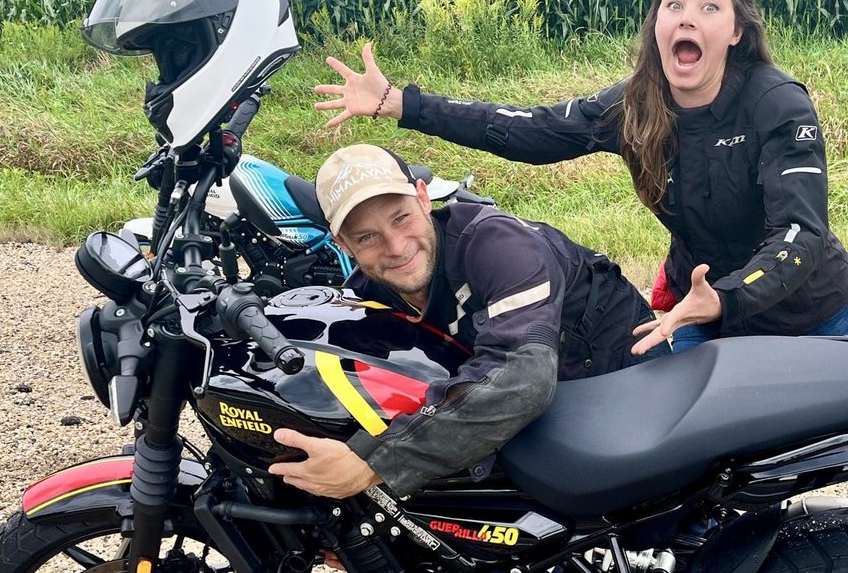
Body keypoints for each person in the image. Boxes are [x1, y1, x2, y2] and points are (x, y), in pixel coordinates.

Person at [311, 0, 848, 525]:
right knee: (709, 461)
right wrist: (403, 103)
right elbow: (528, 130)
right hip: (696, 308)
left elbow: (801, 231)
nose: (688, 17)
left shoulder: (775, 102)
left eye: (710, 6)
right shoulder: (635, 105)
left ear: (734, 30)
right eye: (673, 4)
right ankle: (759, 570)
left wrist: (729, 298)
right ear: (657, 25)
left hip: (806, 308)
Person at [269, 143, 653, 500]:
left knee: (640, 517)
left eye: (401, 218)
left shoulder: (499, 245)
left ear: (423, 197)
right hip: (504, 402)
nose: (396, 247)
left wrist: (372, 464)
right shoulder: (365, 299)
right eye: (367, 237)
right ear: (344, 246)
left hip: (616, 369)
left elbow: (524, 378)